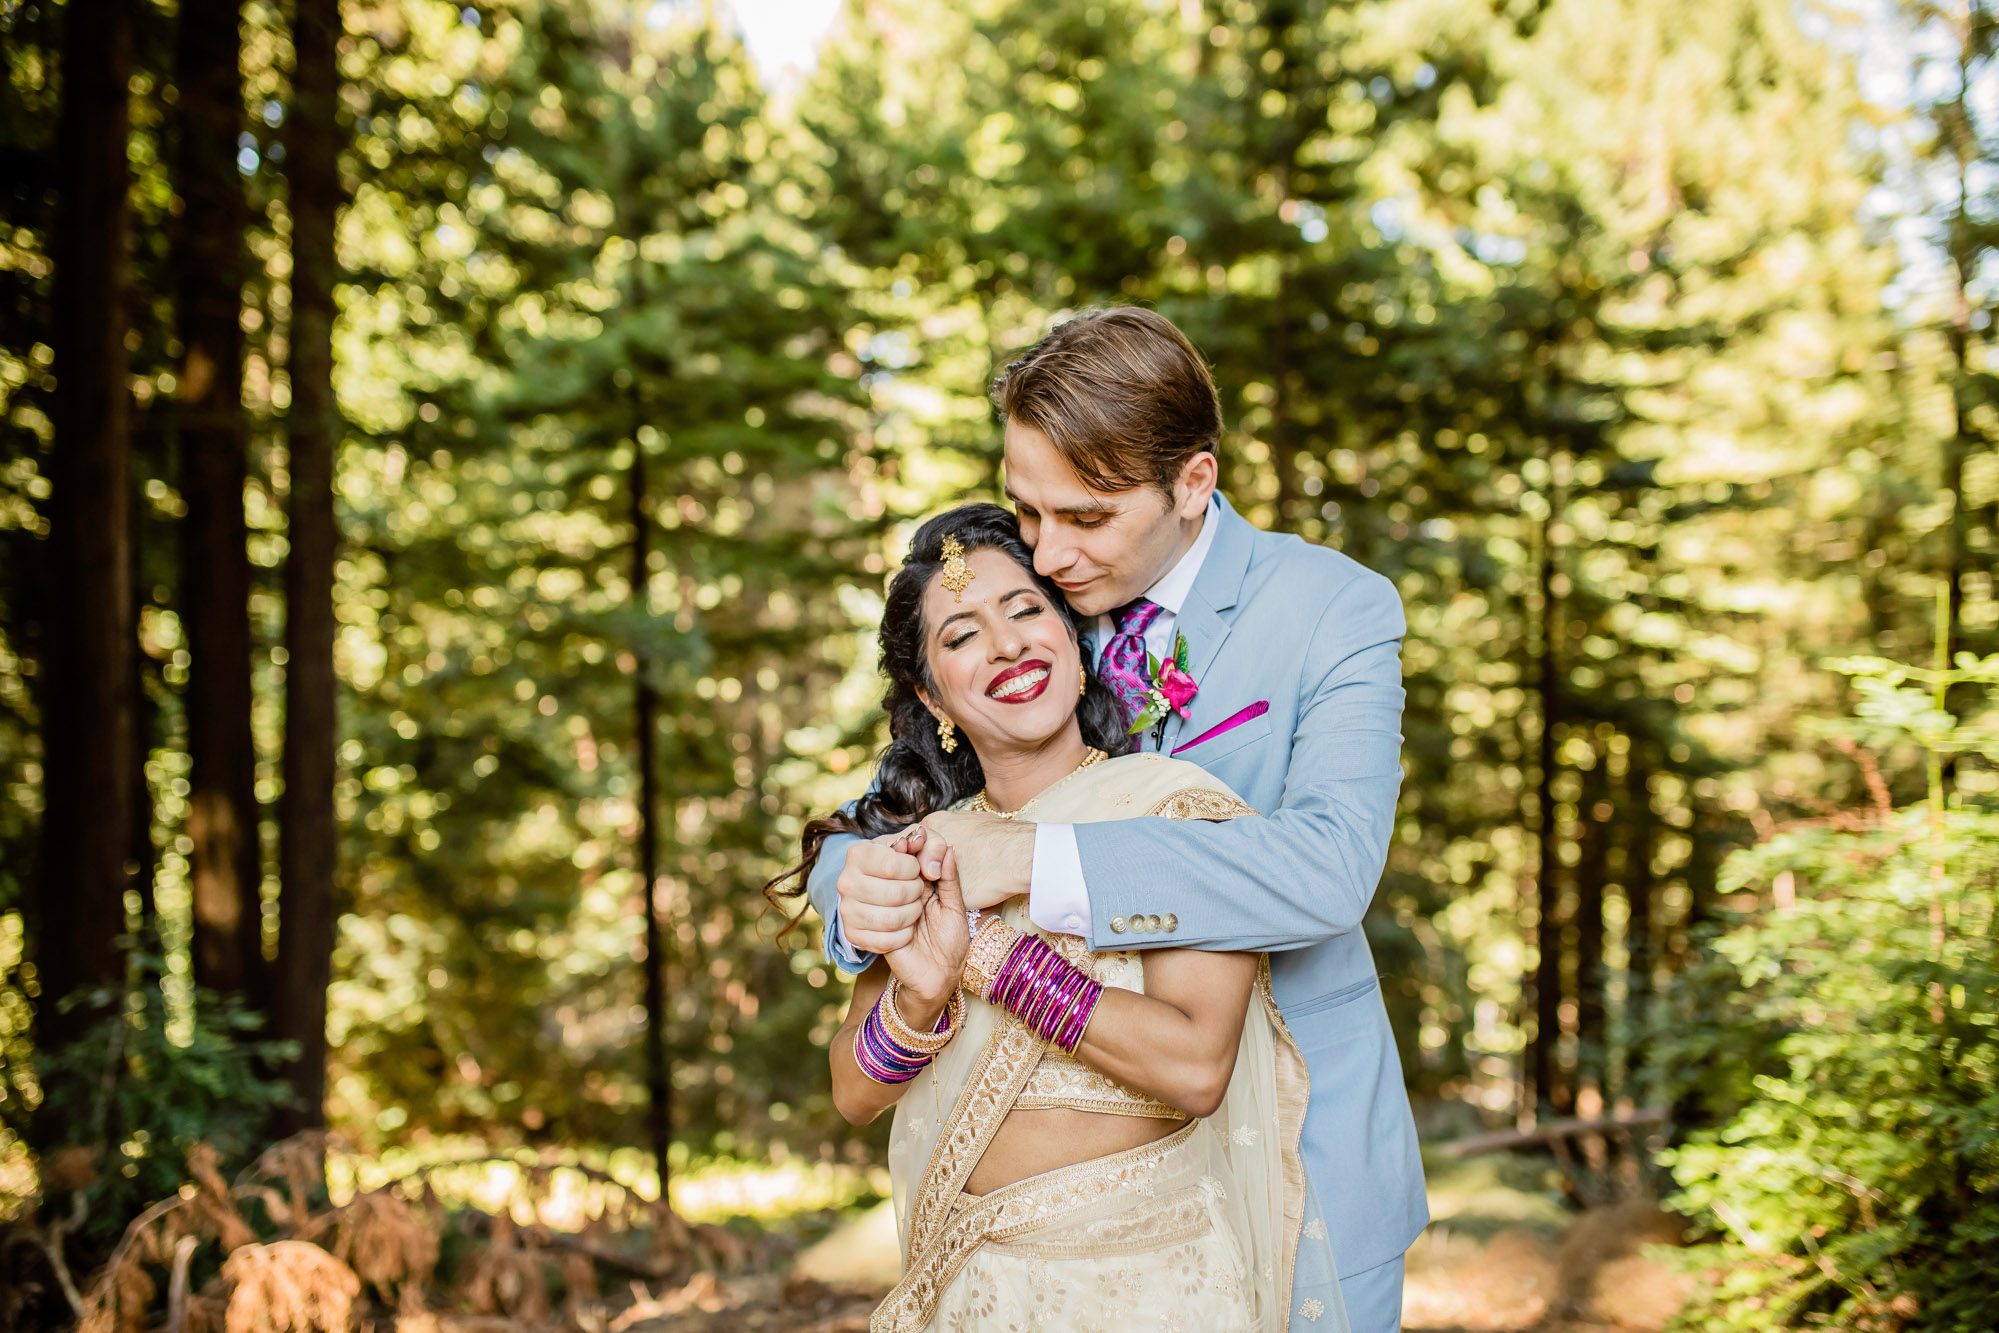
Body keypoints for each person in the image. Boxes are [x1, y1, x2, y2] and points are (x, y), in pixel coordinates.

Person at [808, 307, 1426, 1331]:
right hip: (1031, 1219)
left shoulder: (1329, 610)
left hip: (1297, 1151)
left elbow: (1330, 869)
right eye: (1027, 509)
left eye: (1084, 519)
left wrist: (1027, 863)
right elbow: (893, 807)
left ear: (1193, 484)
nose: (1046, 554)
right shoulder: (1036, 602)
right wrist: (867, 888)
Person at [768, 504, 1345, 1332]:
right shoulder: (928, 848)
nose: (1004, 645)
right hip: (970, 1289)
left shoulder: (1173, 813)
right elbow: (854, 1091)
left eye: (1025, 609)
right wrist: (916, 1001)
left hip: (1147, 1282)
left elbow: (1194, 1066)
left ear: (1075, 643)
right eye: (960, 635)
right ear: (933, 695)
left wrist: (990, 954)